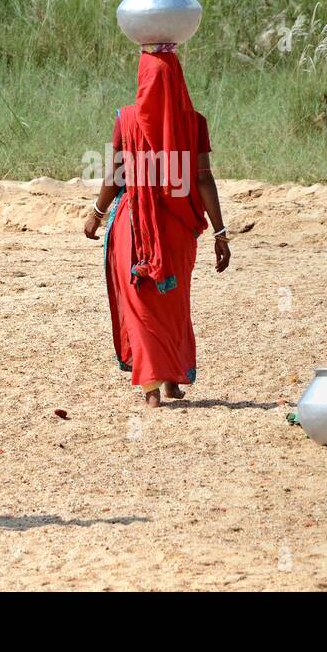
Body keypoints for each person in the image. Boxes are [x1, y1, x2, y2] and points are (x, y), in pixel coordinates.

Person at [83, 47, 230, 408]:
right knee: (172, 302)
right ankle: (172, 382)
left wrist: (97, 213)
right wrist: (220, 232)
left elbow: (115, 175)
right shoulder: (194, 122)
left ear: (142, 81)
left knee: (140, 301)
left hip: (133, 225)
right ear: (179, 82)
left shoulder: (127, 120)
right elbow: (203, 178)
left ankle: (151, 386)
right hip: (178, 230)